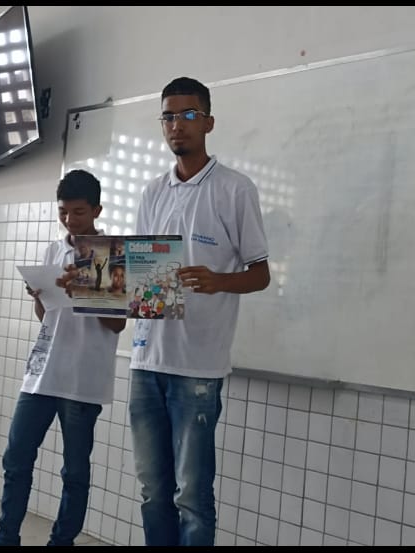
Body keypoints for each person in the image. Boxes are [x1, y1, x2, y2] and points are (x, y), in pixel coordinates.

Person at [128, 76, 270, 546]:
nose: (177, 125)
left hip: (198, 369)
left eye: (189, 115)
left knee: (191, 496)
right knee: (153, 492)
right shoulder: (152, 192)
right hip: (145, 363)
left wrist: (219, 280)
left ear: (208, 122)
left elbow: (261, 274)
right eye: (168, 116)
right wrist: (93, 285)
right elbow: (143, 279)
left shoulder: (234, 189)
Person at [0, 169, 126, 547]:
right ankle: (6, 538)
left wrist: (84, 289)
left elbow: (116, 325)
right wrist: (39, 295)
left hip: (83, 378)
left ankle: (61, 541)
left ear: (97, 210)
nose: (70, 220)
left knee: (75, 471)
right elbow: (47, 316)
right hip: (42, 372)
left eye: (78, 212)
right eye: (63, 212)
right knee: (16, 458)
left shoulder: (111, 254)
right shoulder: (54, 250)